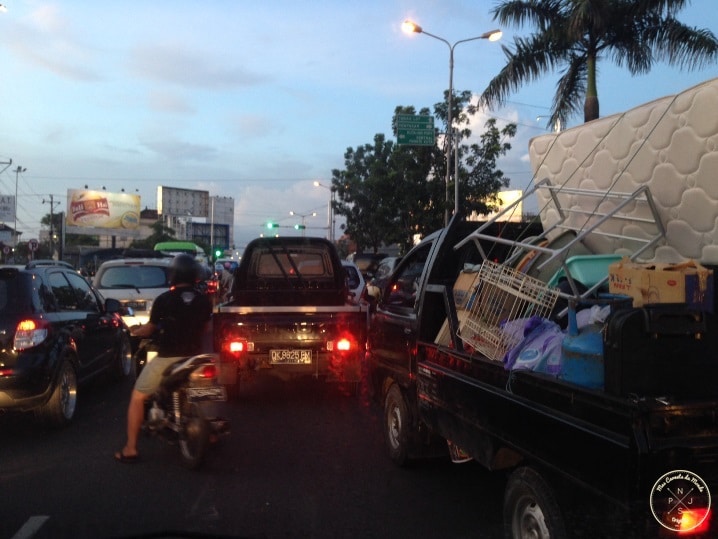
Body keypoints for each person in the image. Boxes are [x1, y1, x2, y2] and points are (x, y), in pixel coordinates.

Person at [114, 253, 213, 463]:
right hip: (195, 357)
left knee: (137, 397)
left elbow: (150, 329)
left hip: (168, 358)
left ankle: (130, 448)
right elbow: (205, 327)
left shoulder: (164, 300)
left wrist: (138, 331)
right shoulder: (204, 300)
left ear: (174, 274)